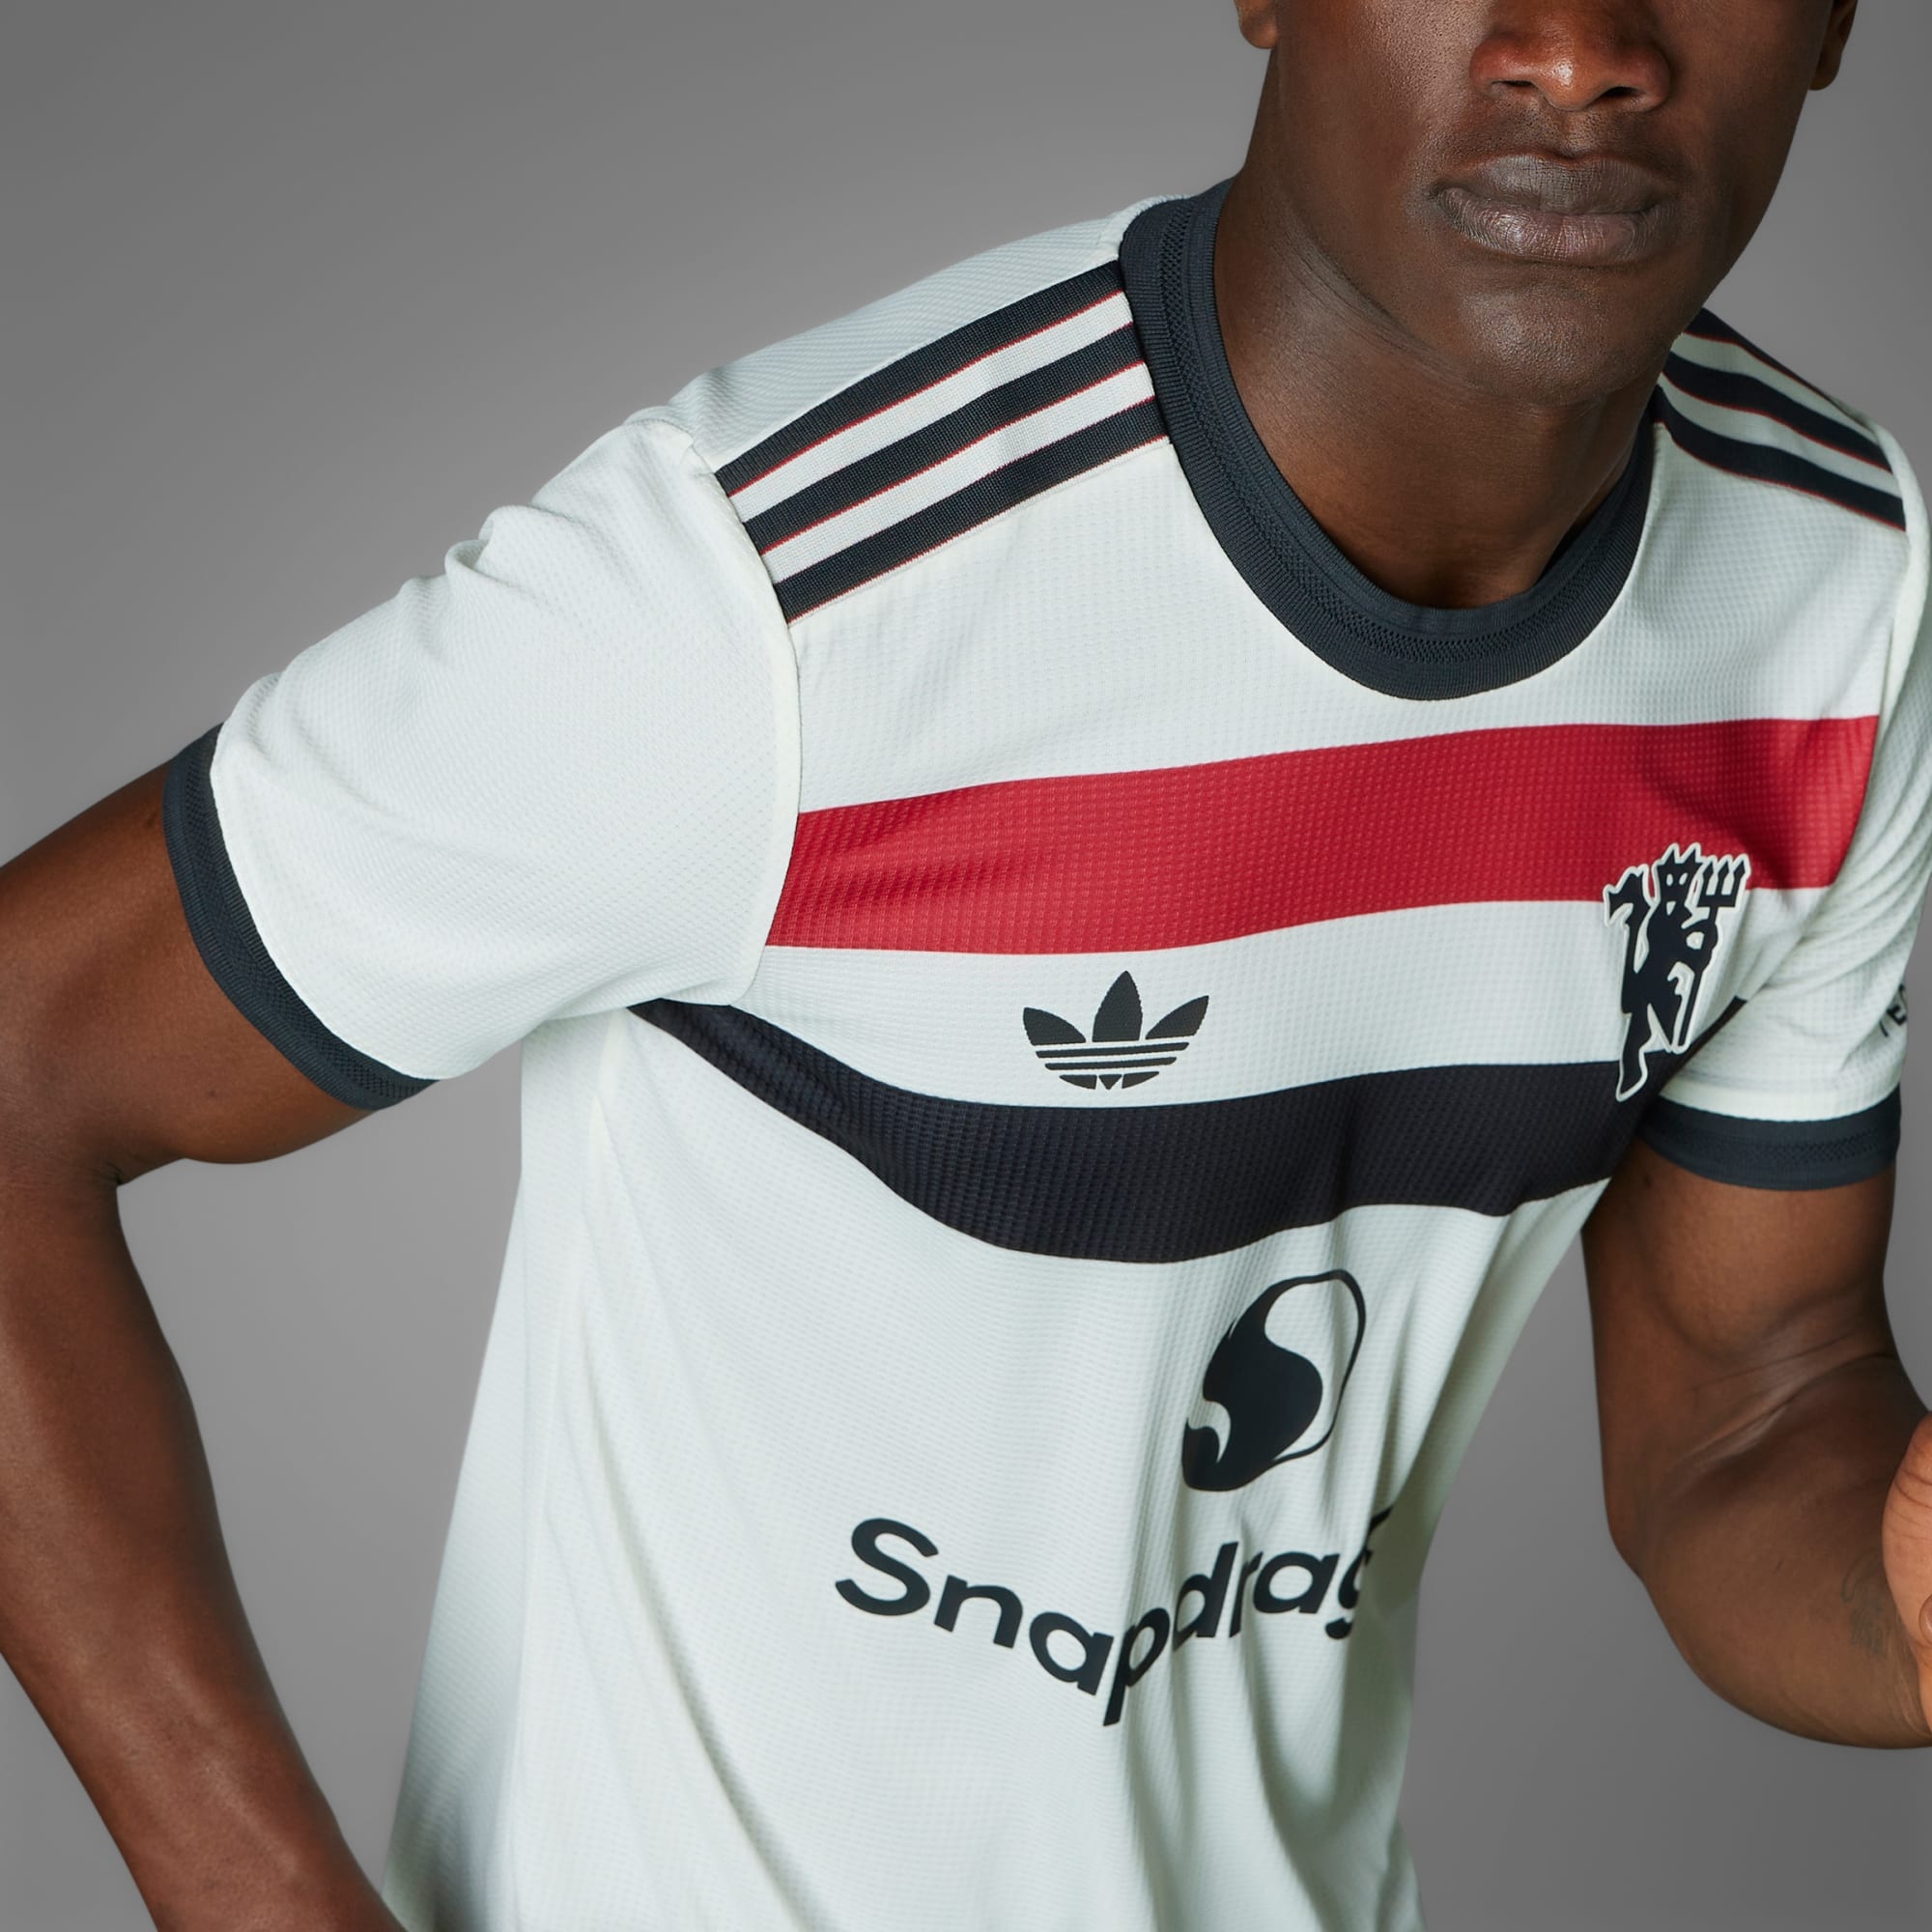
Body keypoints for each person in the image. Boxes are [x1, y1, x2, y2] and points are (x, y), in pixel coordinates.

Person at [2, 1, 1928, 1927]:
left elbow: (1753, 1396)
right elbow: (24, 1060)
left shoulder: (1833, 582)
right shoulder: (778, 591)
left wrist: (1907, 1615)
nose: (1578, 48)